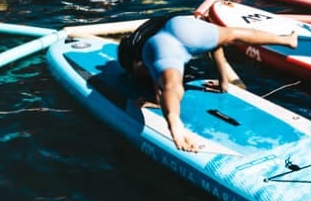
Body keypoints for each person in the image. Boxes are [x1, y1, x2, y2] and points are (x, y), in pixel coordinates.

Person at [118, 10, 299, 153]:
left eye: (133, 71)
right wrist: (223, 81)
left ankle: (175, 123)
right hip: (183, 24)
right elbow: (216, 46)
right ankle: (286, 40)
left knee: (170, 82)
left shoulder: (152, 50)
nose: (136, 76)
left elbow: (170, 86)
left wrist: (174, 123)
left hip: (168, 40)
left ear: (135, 62)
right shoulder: (145, 40)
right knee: (233, 34)